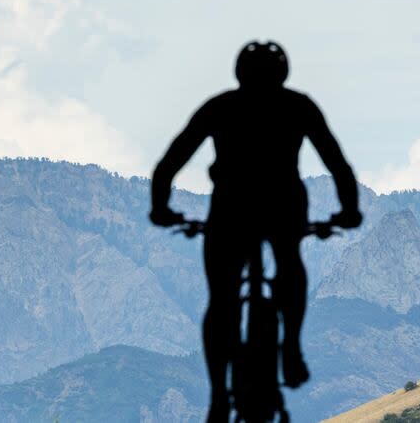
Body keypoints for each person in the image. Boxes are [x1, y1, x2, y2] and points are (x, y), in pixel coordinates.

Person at [150, 40, 362, 421]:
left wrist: (161, 209)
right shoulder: (299, 106)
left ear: (239, 73)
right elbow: (337, 162)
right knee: (289, 264)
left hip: (230, 210)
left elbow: (171, 161)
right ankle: (292, 349)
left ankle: (218, 397)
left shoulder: (221, 107)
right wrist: (349, 211)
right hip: (283, 207)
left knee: (221, 300)